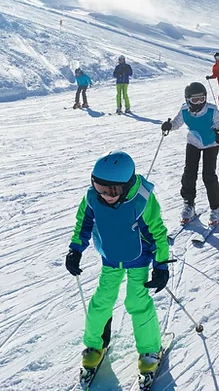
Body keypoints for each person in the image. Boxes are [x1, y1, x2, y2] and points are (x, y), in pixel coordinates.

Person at [64, 151, 170, 377]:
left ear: (127, 184)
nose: (105, 195)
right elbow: (82, 223)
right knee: (102, 300)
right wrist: (75, 250)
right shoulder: (93, 198)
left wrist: (161, 265)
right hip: (111, 258)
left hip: (138, 258)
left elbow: (158, 233)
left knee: (136, 301)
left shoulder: (141, 200)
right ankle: (95, 344)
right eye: (99, 187)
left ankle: (150, 350)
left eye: (112, 191)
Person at [161, 82, 219, 225]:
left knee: (209, 176)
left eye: (202, 99)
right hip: (193, 142)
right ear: (188, 100)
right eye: (195, 100)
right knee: (189, 174)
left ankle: (216, 207)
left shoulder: (211, 110)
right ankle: (189, 204)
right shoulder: (184, 110)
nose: (199, 102)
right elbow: (176, 123)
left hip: (210, 144)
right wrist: (169, 126)